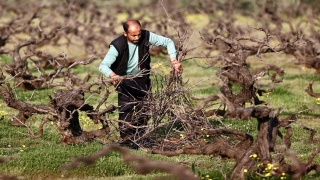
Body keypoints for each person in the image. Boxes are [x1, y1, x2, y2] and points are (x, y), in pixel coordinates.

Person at [99, 19, 182, 148]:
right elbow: (103, 66)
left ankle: (140, 137)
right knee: (126, 110)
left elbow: (168, 42)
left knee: (145, 109)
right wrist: (113, 75)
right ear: (125, 33)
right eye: (133, 35)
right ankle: (127, 140)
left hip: (143, 79)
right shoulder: (117, 45)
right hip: (124, 81)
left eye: (139, 34)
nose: (137, 37)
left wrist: (173, 60)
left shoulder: (146, 35)